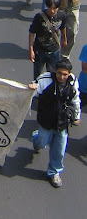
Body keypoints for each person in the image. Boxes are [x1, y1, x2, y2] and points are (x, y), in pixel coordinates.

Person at [29, 57, 80, 188]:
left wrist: (76, 116)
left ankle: (54, 172)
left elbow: (75, 100)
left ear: (69, 74)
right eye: (59, 73)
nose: (62, 77)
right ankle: (36, 138)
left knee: (59, 150)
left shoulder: (73, 82)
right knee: (41, 142)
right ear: (55, 71)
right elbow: (32, 91)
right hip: (46, 120)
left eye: (65, 75)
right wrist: (31, 88)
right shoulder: (45, 80)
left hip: (62, 123)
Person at [29, 0, 67, 80]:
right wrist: (31, 50)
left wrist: (64, 39)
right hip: (40, 50)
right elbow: (32, 33)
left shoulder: (62, 16)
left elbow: (63, 27)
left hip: (54, 50)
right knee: (38, 76)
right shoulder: (39, 17)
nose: (52, 11)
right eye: (50, 8)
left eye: (55, 8)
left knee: (53, 75)